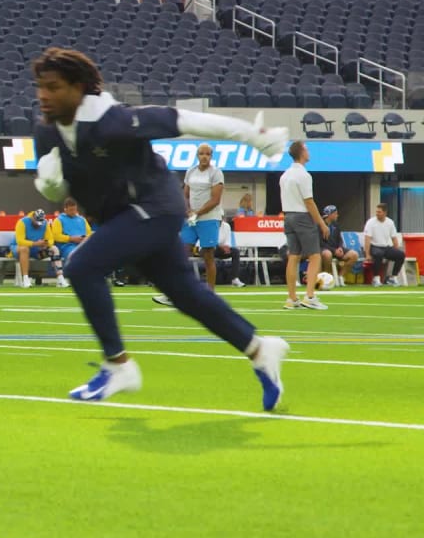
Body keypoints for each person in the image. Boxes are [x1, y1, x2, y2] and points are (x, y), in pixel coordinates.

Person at [30, 47, 290, 410]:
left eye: (53, 87)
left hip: (155, 207)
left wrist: (253, 135)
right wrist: (50, 186)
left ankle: (117, 365)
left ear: (79, 87)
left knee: (81, 266)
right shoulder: (46, 132)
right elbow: (56, 186)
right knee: (185, 294)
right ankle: (260, 350)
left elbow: (184, 121)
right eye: (40, 87)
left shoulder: (113, 121)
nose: (43, 95)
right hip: (125, 219)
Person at [280, 140, 328, 310]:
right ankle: (310, 296)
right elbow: (309, 202)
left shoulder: (285, 175)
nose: (309, 152)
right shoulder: (304, 175)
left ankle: (292, 298)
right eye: (306, 149)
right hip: (302, 216)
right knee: (315, 256)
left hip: (288, 216)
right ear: (301, 152)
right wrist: (322, 223)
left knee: (293, 256)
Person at [184, 143, 226, 293]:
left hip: (209, 218)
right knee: (183, 251)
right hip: (191, 219)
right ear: (197, 155)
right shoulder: (190, 172)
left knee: (208, 255)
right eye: (201, 153)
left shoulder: (216, 173)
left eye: (207, 154)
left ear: (211, 156)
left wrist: (198, 212)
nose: (204, 156)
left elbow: (215, 199)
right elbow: (186, 194)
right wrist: (188, 211)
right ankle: (177, 290)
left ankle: (210, 292)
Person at [49, 198, 91, 287]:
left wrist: (85, 238)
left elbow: (89, 233)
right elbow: (56, 236)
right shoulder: (59, 220)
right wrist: (71, 238)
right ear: (65, 209)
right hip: (67, 246)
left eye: (75, 209)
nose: (73, 212)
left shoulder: (82, 219)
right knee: (77, 254)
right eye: (71, 210)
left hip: (83, 244)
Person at [14, 209, 60, 288]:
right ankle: (25, 279)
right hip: (19, 248)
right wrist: (35, 243)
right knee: (24, 249)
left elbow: (50, 239)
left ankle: (60, 278)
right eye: (37, 222)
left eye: (40, 223)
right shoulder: (22, 222)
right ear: (33, 217)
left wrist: (46, 243)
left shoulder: (45, 223)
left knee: (53, 249)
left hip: (37, 250)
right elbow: (20, 241)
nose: (39, 225)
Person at [363, 203, 406, 286]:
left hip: (386, 247)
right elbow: (367, 239)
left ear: (385, 213)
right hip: (374, 246)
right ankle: (376, 278)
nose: (377, 214)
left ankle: (393, 277)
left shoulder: (390, 222)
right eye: (377, 212)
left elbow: (394, 238)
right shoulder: (371, 222)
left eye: (379, 212)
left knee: (400, 255)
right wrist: (367, 254)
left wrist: (395, 250)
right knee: (378, 254)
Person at [320, 205, 358, 288]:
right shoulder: (320, 225)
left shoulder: (336, 225)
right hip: (325, 249)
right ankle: (328, 277)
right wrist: (334, 251)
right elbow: (320, 243)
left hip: (336, 248)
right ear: (330, 215)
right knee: (327, 254)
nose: (337, 215)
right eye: (335, 213)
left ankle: (340, 276)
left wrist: (340, 247)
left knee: (354, 255)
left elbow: (339, 239)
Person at [214, 221, 246, 288]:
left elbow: (228, 240)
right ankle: (210, 280)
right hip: (209, 248)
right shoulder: (209, 225)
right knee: (209, 251)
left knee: (235, 252)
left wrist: (227, 247)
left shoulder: (226, 226)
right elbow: (209, 241)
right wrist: (220, 246)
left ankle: (235, 278)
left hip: (221, 250)